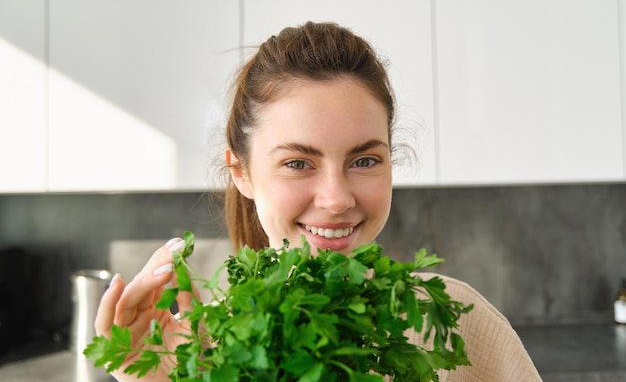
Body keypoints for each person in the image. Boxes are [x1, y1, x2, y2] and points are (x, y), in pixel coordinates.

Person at [95, 22, 542, 382]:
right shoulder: (205, 351)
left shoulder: (455, 325)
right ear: (242, 173)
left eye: (364, 160)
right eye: (297, 163)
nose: (335, 199)